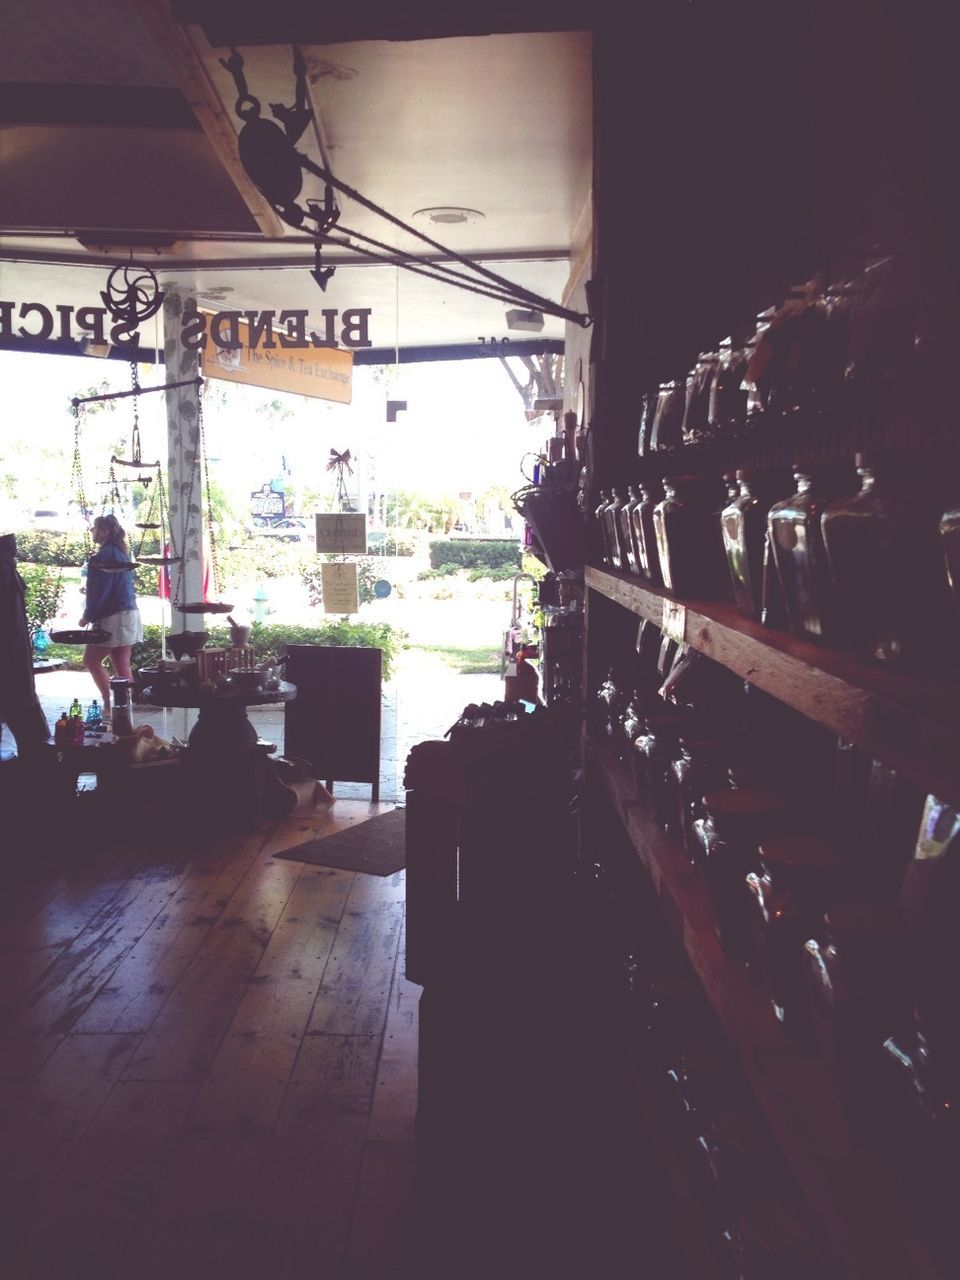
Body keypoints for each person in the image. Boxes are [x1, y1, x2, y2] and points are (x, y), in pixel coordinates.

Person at [80, 514, 143, 722]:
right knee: (121, 662)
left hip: (114, 615)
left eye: (95, 529)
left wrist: (88, 615)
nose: (92, 532)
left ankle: (110, 703)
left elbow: (102, 591)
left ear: (104, 531)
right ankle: (126, 710)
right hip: (130, 612)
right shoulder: (121, 552)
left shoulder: (105, 555)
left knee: (91, 660)